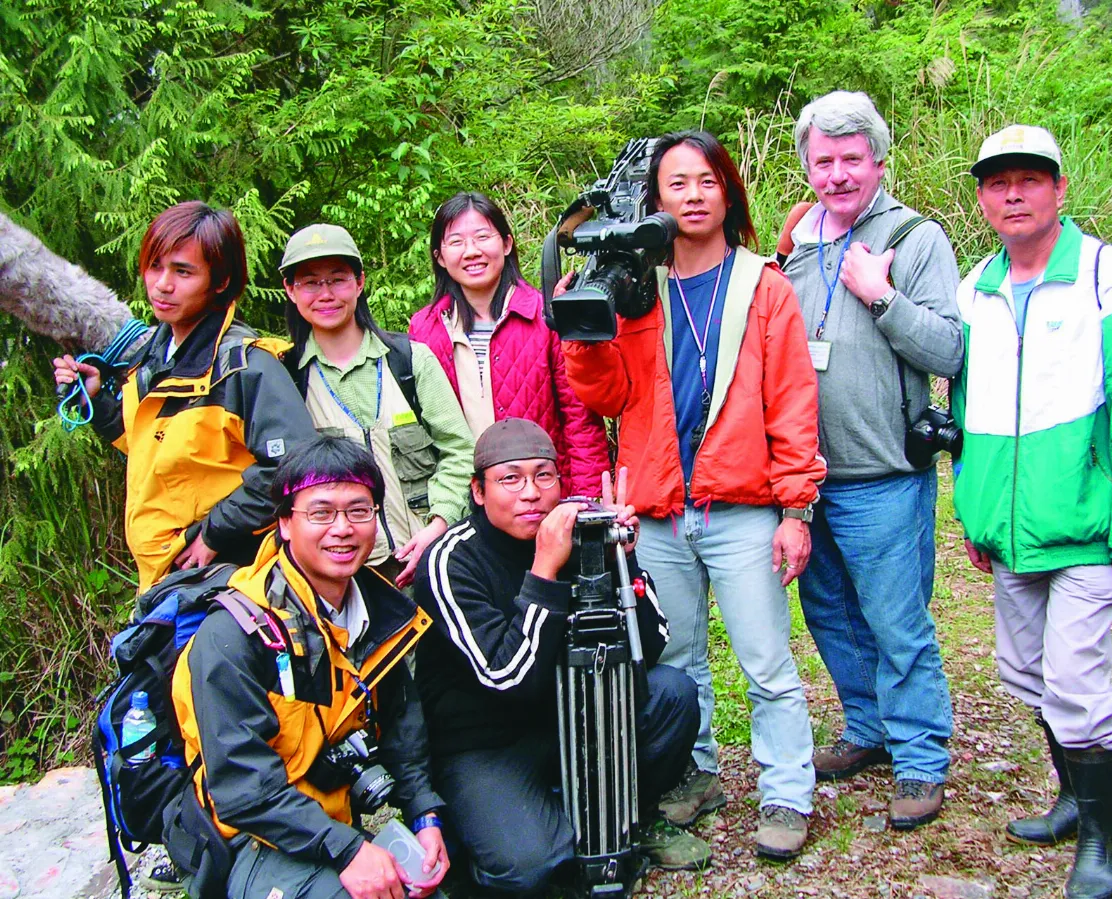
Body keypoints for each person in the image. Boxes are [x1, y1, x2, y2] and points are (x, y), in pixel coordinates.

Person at [562, 131, 827, 859]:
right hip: (659, 510)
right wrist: (584, 334)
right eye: (676, 184)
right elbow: (612, 397)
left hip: (740, 507)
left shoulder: (761, 285)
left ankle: (785, 792)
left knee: (765, 659)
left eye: (706, 181)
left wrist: (796, 508)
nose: (692, 195)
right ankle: (699, 771)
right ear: (654, 200)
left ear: (728, 192)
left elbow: (794, 401)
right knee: (675, 661)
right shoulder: (637, 288)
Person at [953, 125, 1112, 899]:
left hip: (1084, 525)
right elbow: (966, 405)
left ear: (1059, 188)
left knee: (1076, 683)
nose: (1013, 193)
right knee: (1028, 672)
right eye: (997, 181)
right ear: (982, 195)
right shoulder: (975, 286)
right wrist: (977, 512)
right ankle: (1075, 802)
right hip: (1011, 531)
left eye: (1030, 178)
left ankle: (1104, 841)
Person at [413, 418, 709, 894]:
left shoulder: (584, 536)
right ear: (479, 491)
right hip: (485, 743)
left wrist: (622, 558)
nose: (530, 493)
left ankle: (633, 816)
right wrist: (545, 568)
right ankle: (503, 827)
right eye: (510, 479)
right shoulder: (450, 560)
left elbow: (649, 648)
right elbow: (507, 678)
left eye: (543, 476)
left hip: (574, 721)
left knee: (674, 694)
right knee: (533, 868)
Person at [777, 91, 960, 829]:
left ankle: (920, 758)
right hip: (807, 479)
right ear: (808, 167)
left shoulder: (917, 238)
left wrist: (881, 297)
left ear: (878, 162)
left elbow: (949, 349)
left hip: (886, 473)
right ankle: (870, 728)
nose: (838, 174)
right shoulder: (796, 243)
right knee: (830, 615)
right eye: (824, 161)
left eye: (853, 159)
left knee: (896, 621)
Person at [166, 435, 450, 899]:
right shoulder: (234, 635)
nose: (342, 528)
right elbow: (242, 788)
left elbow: (401, 725)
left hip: (329, 822)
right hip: (251, 838)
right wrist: (348, 851)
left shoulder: (382, 614)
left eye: (359, 511)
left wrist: (424, 816)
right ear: (283, 523)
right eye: (320, 513)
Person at [52, 201, 317, 594]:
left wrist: (214, 533)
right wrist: (99, 406)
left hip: (232, 577)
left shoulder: (245, 365)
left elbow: (296, 466)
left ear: (221, 281)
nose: (162, 284)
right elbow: (159, 451)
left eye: (183, 271)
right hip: (168, 573)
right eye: (155, 266)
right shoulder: (154, 361)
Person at [279, 223, 475, 588]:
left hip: (423, 561)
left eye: (337, 279)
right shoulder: (285, 378)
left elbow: (460, 450)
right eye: (310, 282)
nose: (326, 294)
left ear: (359, 282)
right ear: (291, 290)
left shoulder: (411, 361)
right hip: (331, 575)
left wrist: (439, 524)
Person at [408, 192, 609, 497]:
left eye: (482, 237)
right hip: (461, 501)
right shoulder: (424, 329)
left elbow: (579, 421)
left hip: (539, 498)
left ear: (506, 243)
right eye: (457, 242)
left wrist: (585, 503)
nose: (472, 251)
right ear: (440, 256)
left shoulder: (546, 317)